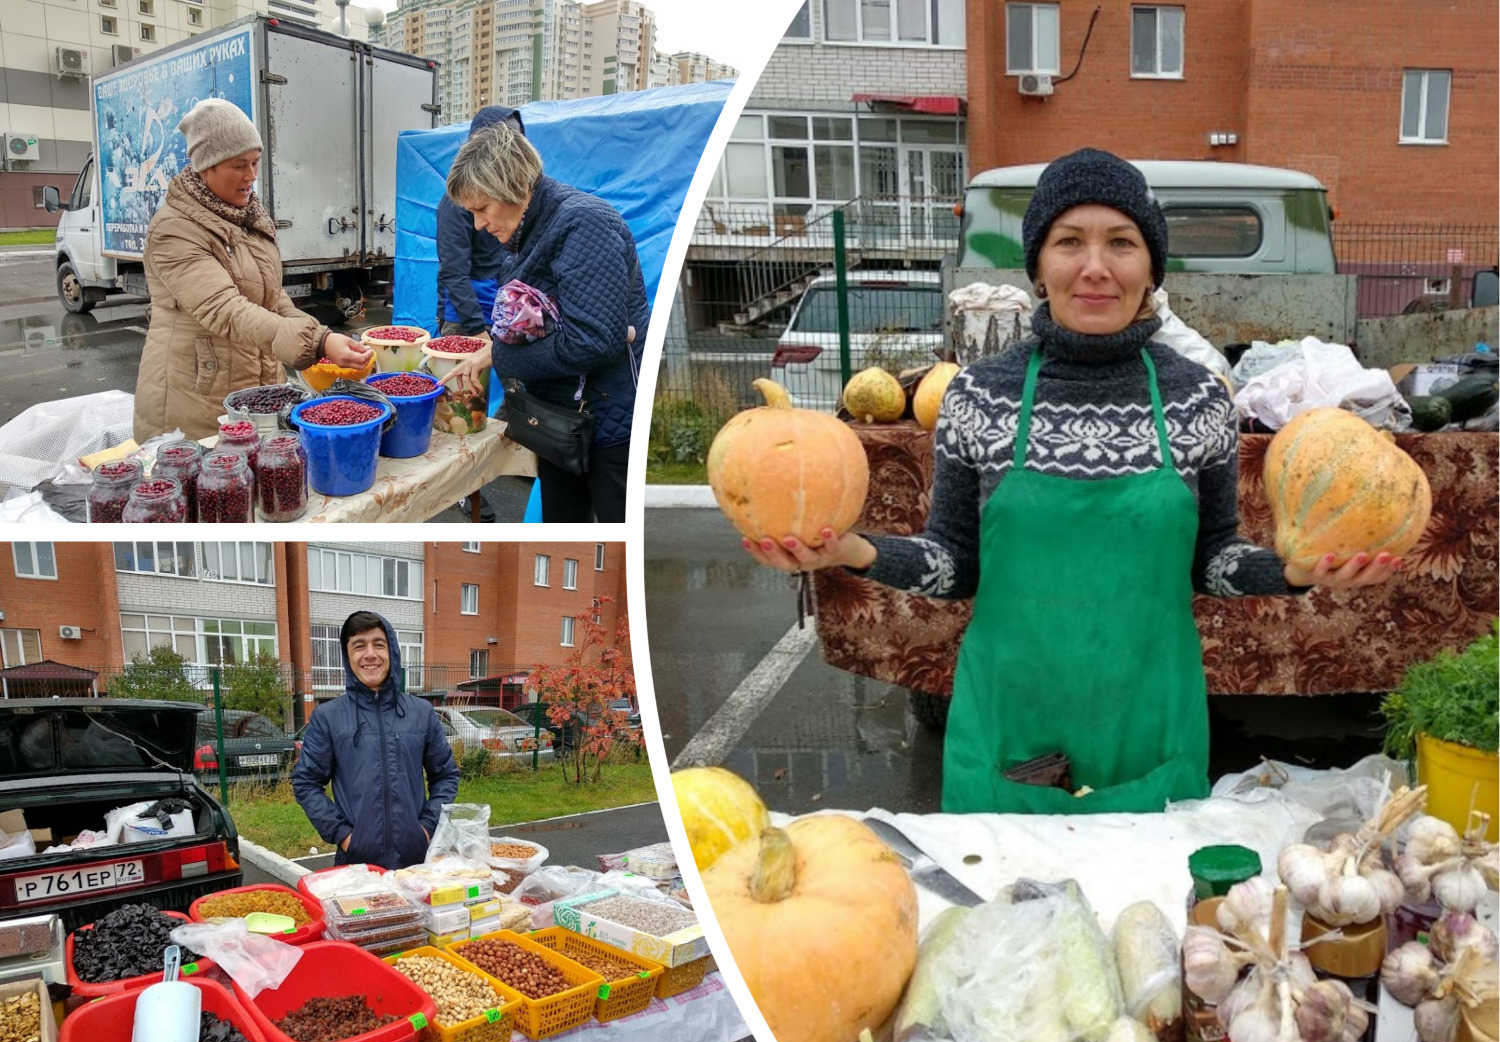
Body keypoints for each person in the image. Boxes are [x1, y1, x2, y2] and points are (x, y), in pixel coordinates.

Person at [745, 147, 1398, 815]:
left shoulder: (1199, 399)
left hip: (1150, 723)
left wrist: (1296, 570)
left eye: (1121, 242)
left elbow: (1214, 560)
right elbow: (953, 564)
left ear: (1150, 268)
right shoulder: (978, 396)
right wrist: (854, 550)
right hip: (1009, 726)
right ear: (1037, 266)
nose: (1095, 267)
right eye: (1069, 242)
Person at [437, 123, 645, 523]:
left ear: (514, 185)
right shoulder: (528, 230)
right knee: (562, 524)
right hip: (560, 414)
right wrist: (487, 352)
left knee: (617, 527)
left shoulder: (584, 224)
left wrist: (504, 357)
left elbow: (594, 342)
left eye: (483, 209)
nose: (479, 224)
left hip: (605, 417)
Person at [133, 99, 371, 442]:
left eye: (255, 163)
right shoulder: (174, 229)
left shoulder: (247, 217)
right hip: (197, 398)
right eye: (239, 165)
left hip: (258, 387)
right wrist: (319, 342)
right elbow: (225, 309)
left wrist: (320, 336)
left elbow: (274, 298)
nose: (251, 176)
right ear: (205, 168)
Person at [292, 610, 459, 869]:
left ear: (391, 651)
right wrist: (345, 836)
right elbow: (305, 782)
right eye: (359, 646)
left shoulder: (421, 712)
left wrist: (426, 829)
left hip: (416, 864)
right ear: (348, 656)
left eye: (378, 644)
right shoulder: (328, 717)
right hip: (356, 866)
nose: (370, 654)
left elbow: (446, 775)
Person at [436, 106, 525, 338]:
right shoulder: (457, 201)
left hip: (507, 310)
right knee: (467, 372)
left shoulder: (516, 198)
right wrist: (476, 330)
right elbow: (454, 273)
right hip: (467, 316)